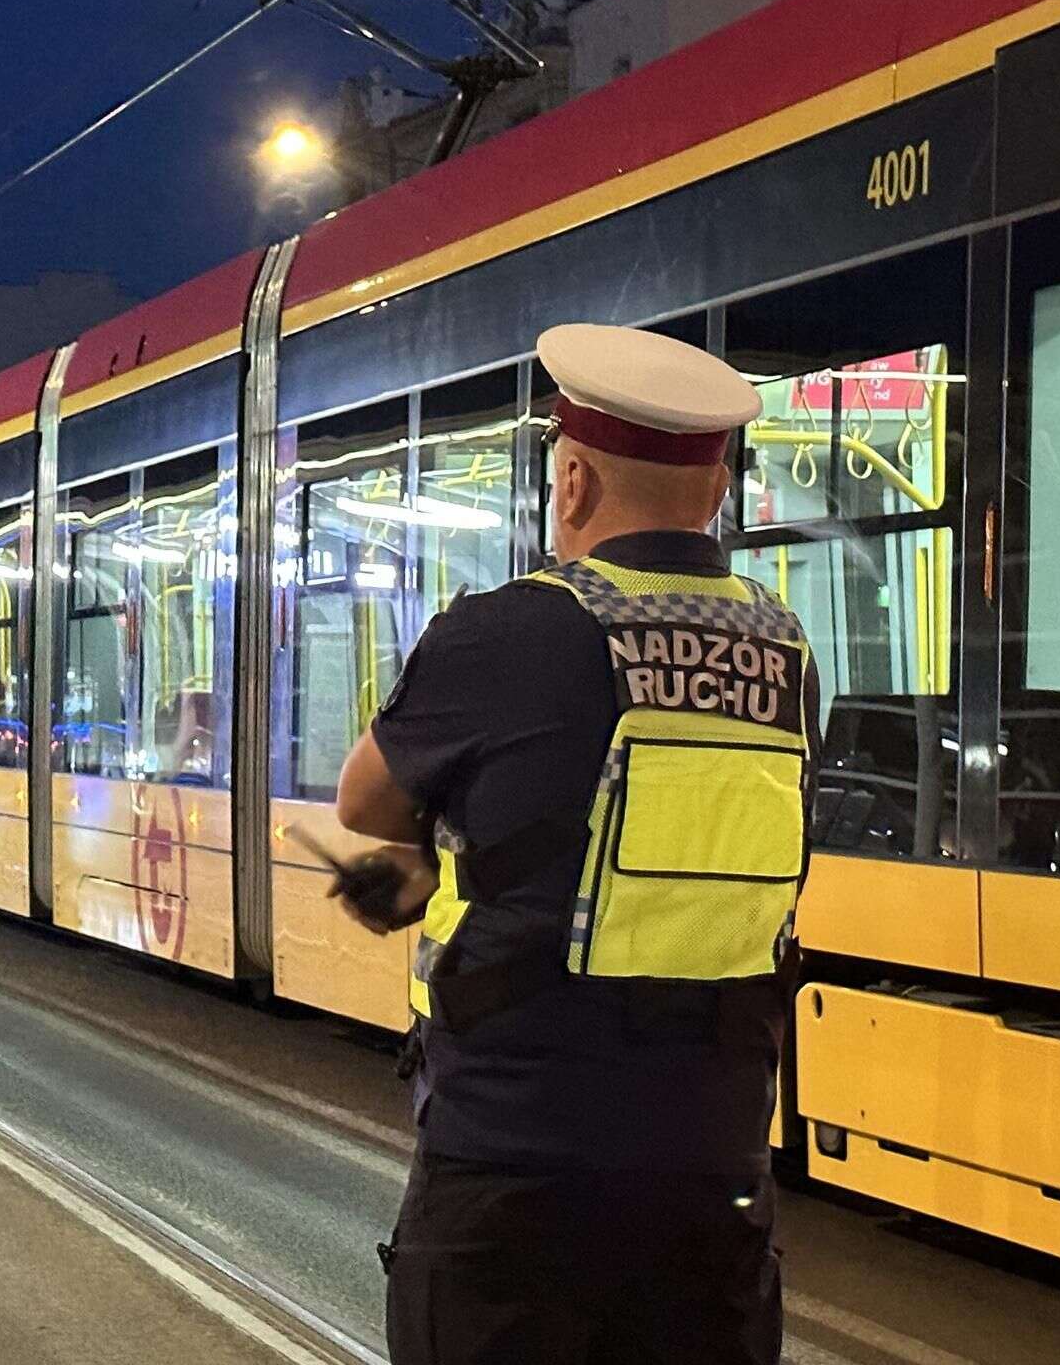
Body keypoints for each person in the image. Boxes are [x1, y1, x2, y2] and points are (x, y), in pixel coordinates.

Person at [328, 322, 821, 1365]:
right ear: (718, 489)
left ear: (576, 483)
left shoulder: (508, 630)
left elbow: (364, 799)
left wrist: (433, 854)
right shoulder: (785, 654)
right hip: (712, 1170)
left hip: (518, 1170)